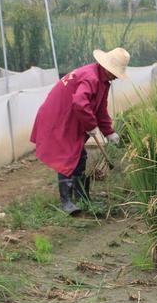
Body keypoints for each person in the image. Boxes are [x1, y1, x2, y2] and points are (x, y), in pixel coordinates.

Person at [30, 47, 129, 214]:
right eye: (114, 73)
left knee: (80, 155)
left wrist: (110, 132)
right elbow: (79, 103)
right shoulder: (90, 77)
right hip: (59, 116)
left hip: (72, 116)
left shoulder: (103, 81)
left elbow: (100, 110)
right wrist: (91, 126)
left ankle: (82, 196)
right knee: (67, 155)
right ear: (106, 68)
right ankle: (66, 202)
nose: (115, 77)